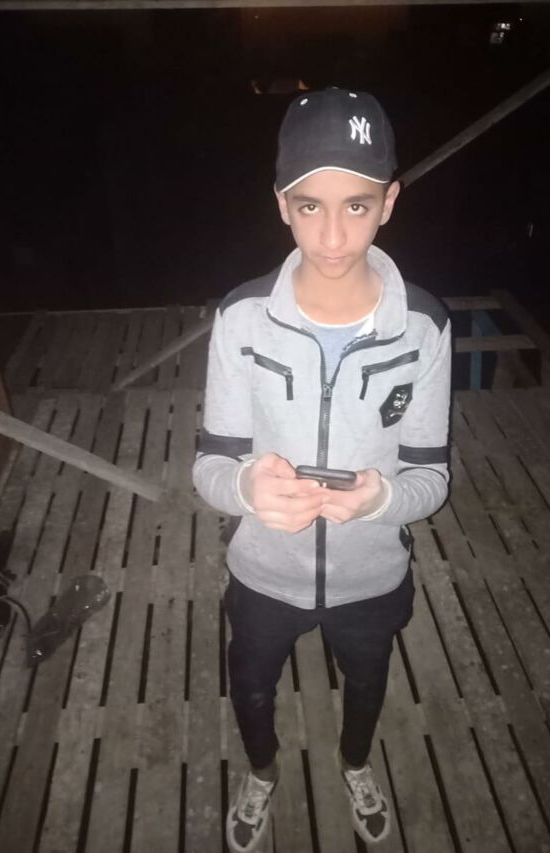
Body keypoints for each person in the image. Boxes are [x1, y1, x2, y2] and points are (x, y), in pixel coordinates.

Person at [192, 87, 451, 852]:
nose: (334, 235)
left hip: (372, 574)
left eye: (357, 206)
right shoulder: (241, 319)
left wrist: (380, 500)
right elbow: (210, 465)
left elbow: (432, 479)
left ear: (389, 202)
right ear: (281, 204)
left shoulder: (426, 326)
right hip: (263, 569)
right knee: (250, 682)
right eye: (310, 206)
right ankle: (262, 770)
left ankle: (355, 761)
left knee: (368, 681)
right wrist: (245, 487)